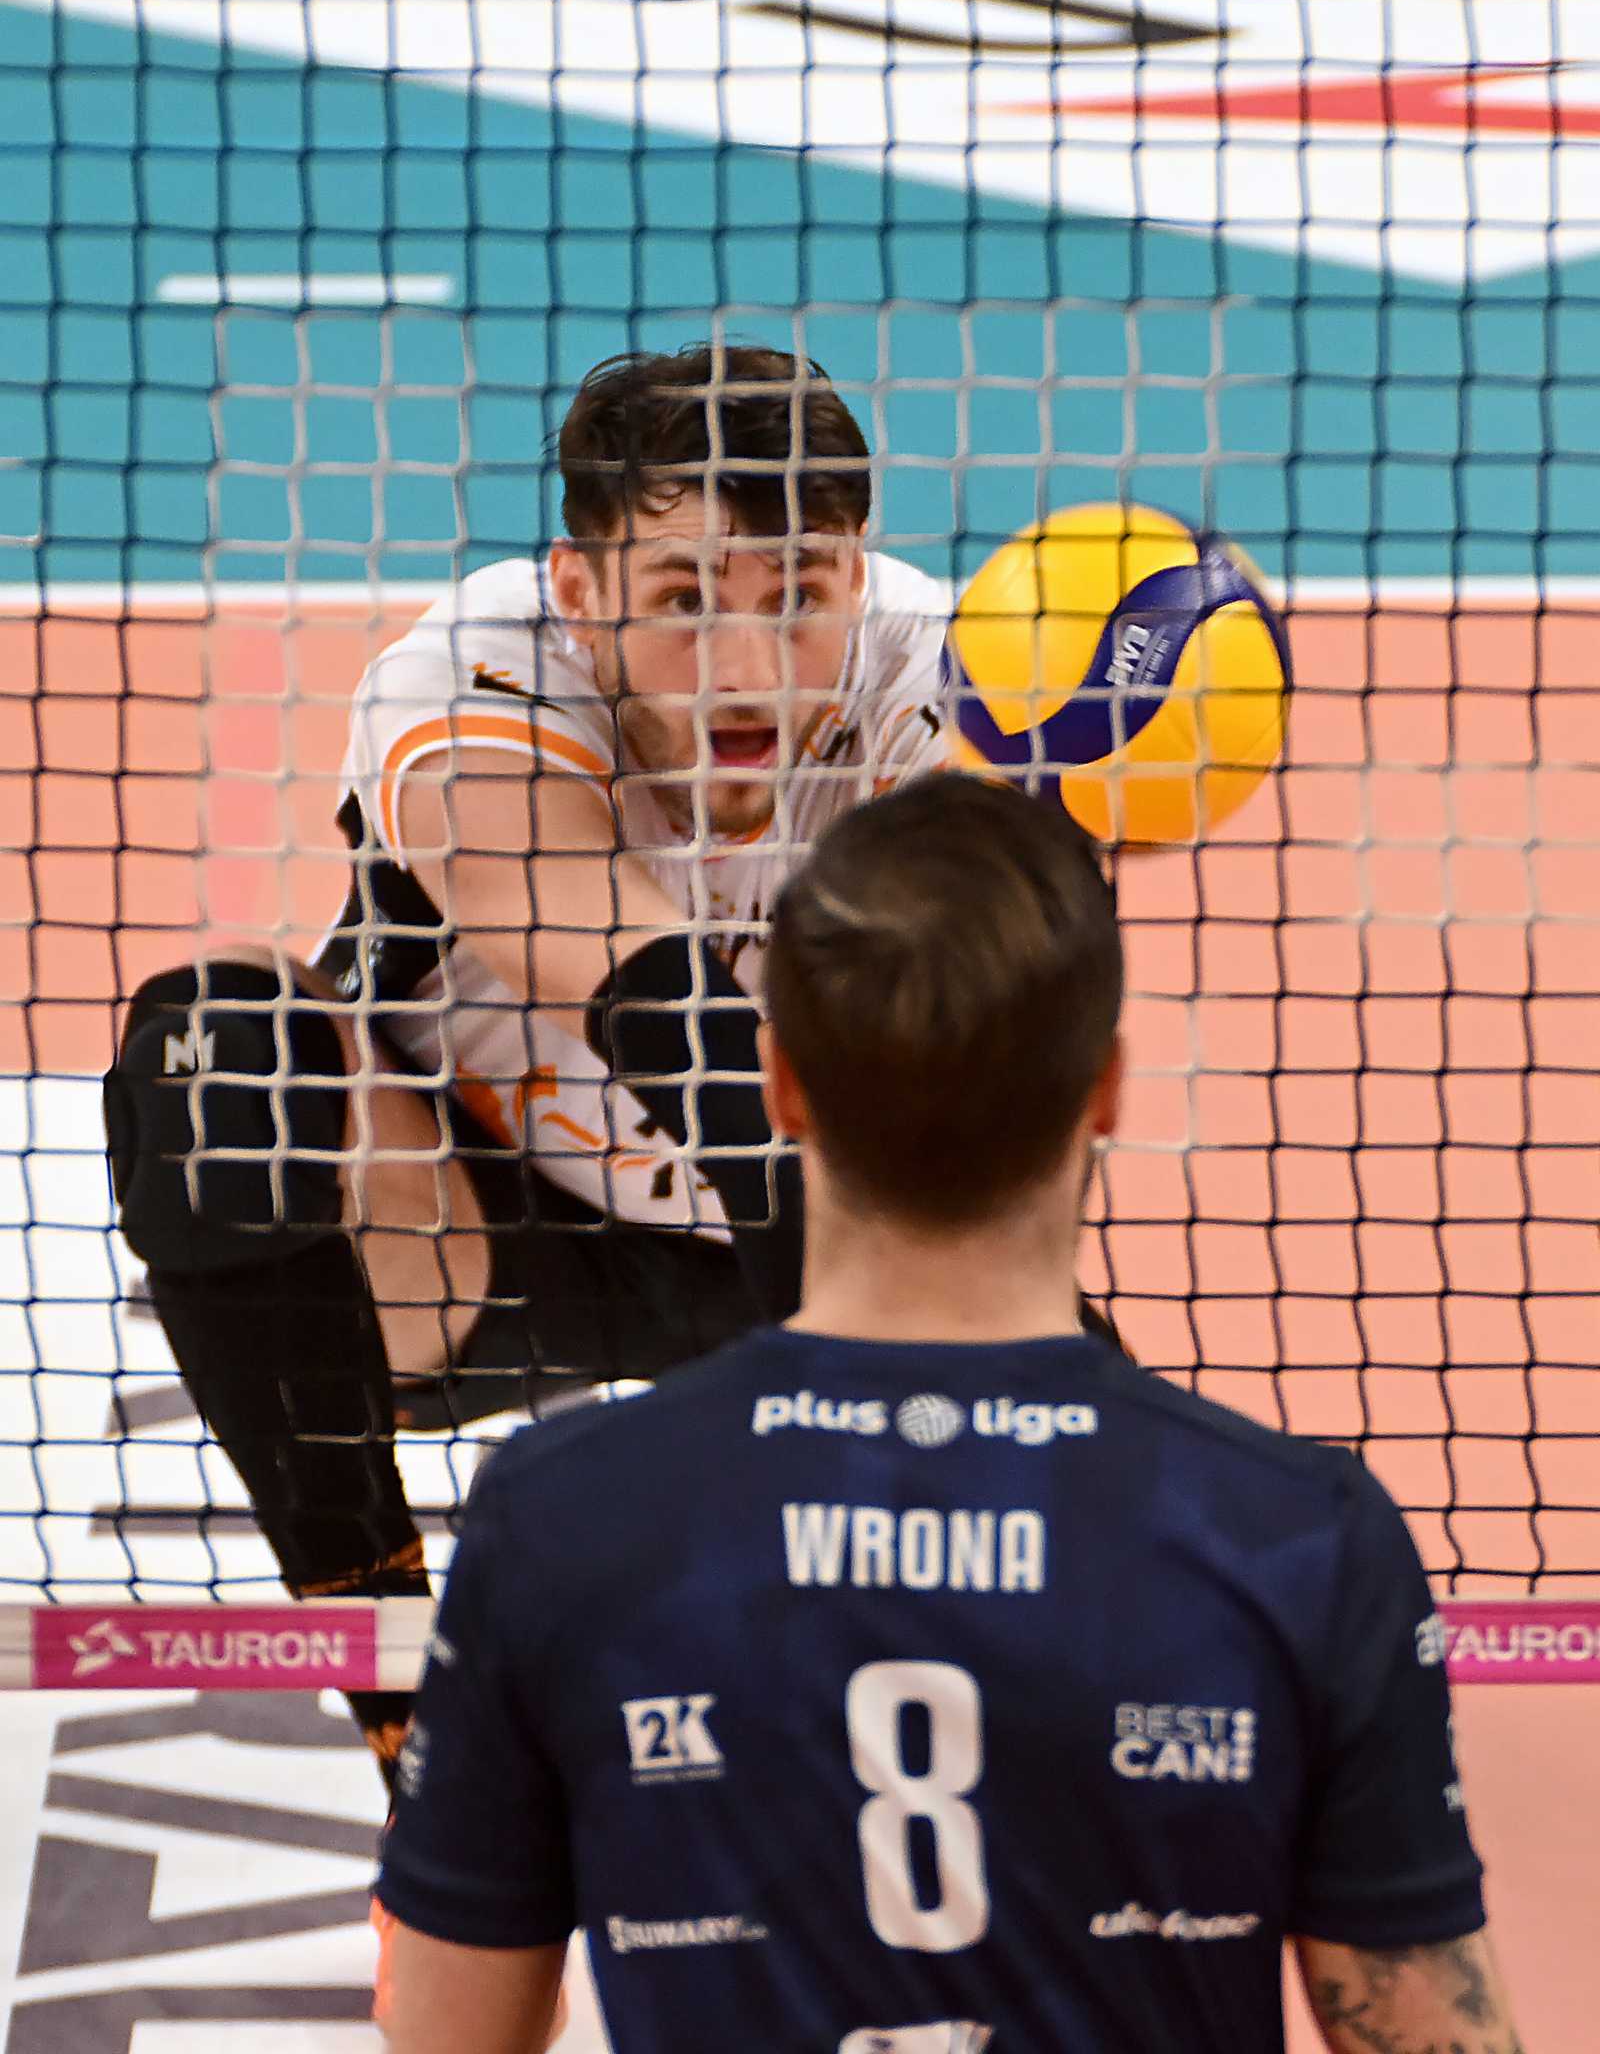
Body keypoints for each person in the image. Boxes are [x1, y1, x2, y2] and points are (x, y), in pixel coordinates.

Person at [373, 773, 1523, 2054]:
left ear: (781, 1087)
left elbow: (447, 2041)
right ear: (1104, 1089)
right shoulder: (1303, 1537)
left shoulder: (560, 1517)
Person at [102, 342, 1115, 1783]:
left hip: (828, 1235)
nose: (746, 667)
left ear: (857, 571)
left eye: (800, 593)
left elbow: (969, 1060)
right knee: (220, 1065)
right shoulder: (475, 670)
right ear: (582, 592)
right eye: (684, 599)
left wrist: (1068, 797)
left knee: (1074, 1488)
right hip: (474, 1236)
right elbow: (632, 985)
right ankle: (402, 1700)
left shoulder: (944, 686)